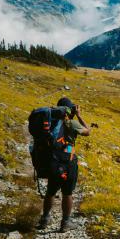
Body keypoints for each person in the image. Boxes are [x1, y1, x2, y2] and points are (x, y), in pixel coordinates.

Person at [37, 97, 91, 232]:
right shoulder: (71, 123)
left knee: (50, 192)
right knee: (67, 193)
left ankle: (45, 219)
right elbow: (87, 131)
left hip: (53, 162)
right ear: (68, 109)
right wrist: (79, 115)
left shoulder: (50, 122)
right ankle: (65, 223)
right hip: (68, 162)